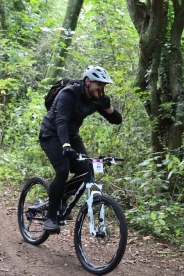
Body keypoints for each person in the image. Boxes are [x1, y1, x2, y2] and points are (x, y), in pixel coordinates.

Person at [38, 65, 122, 232]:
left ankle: (62, 198)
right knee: (63, 170)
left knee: (86, 168)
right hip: (52, 134)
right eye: (99, 85)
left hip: (72, 136)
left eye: (104, 86)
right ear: (87, 81)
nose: (101, 89)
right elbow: (60, 121)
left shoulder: (96, 98)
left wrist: (108, 107)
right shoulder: (68, 94)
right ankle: (50, 217)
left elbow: (116, 120)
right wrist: (66, 145)